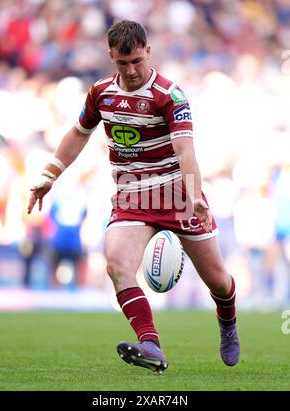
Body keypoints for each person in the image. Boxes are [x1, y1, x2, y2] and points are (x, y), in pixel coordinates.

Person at [27, 19, 240, 373]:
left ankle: (228, 323)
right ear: (111, 55)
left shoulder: (170, 96)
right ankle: (151, 344)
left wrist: (195, 195)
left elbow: (185, 150)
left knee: (217, 279)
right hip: (131, 197)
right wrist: (50, 174)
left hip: (177, 195)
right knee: (117, 266)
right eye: (122, 63)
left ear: (148, 52)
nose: (131, 70)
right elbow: (79, 133)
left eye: (137, 61)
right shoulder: (101, 92)